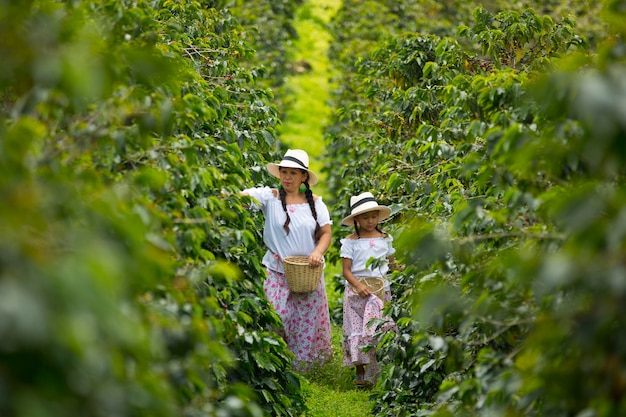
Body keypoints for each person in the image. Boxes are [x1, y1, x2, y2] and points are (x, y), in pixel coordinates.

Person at [241, 149, 333, 371]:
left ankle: (301, 368)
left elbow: (326, 233)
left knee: (305, 321)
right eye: (284, 172)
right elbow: (241, 198)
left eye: (293, 173)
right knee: (277, 316)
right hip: (277, 270)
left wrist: (317, 252)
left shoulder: (316, 203)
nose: (287, 178)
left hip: (307, 272)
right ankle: (274, 363)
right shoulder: (270, 198)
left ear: (303, 177)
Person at [340, 192, 399, 388]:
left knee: (377, 330)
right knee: (358, 331)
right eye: (365, 217)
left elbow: (391, 263)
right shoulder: (350, 242)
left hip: (381, 291)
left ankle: (377, 373)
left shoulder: (385, 238)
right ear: (356, 219)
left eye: (373, 216)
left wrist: (403, 268)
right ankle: (360, 373)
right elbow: (346, 271)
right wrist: (358, 285)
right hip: (357, 295)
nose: (370, 221)